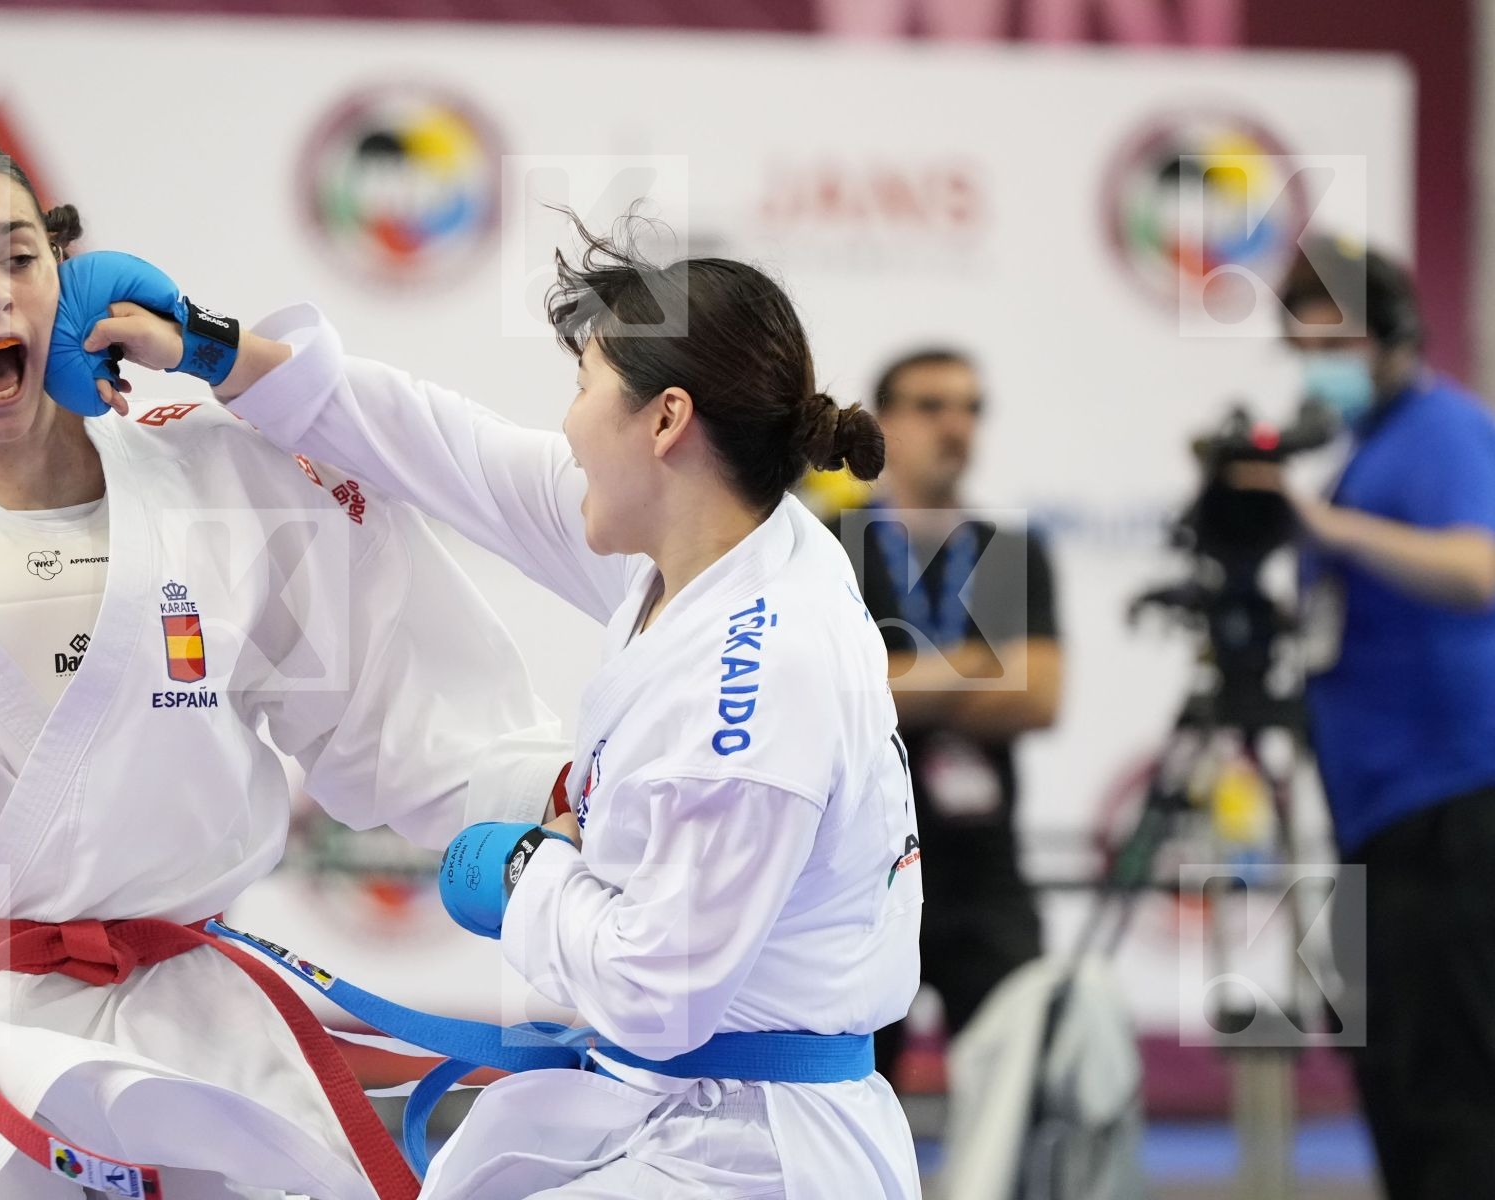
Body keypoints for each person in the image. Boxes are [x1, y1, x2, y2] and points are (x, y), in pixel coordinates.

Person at [0, 134, 568, 1200]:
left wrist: (564, 805)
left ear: (64, 271)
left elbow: (399, 706)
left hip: (187, 1012)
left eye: (18, 257)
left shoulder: (213, 477)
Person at [74, 219, 928, 1198]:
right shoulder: (714, 549)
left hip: (756, 1155)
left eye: (584, 389)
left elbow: (660, 993)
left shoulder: (759, 678)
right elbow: (449, 453)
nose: (567, 425)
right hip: (681, 1105)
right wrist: (211, 347)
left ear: (665, 421)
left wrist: (524, 874)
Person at [1232, 239, 1495, 1200]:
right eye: (1302, 343)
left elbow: (1478, 571)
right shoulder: (1363, 456)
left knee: (1453, 1079)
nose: (1319, 362)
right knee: (1389, 1071)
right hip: (1372, 815)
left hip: (1452, 802)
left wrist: (1325, 528)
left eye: (1334, 337)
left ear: (1392, 335)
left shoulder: (1444, 429)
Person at [827, 348, 1061, 1084]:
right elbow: (837, 700)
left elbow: (1040, 695)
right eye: (932, 406)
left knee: (1019, 1099)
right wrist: (981, 663)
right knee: (849, 1106)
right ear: (884, 422)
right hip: (857, 873)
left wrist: (893, 680)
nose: (956, 425)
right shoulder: (828, 546)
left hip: (982, 871)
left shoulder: (1009, 550)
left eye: (970, 407)